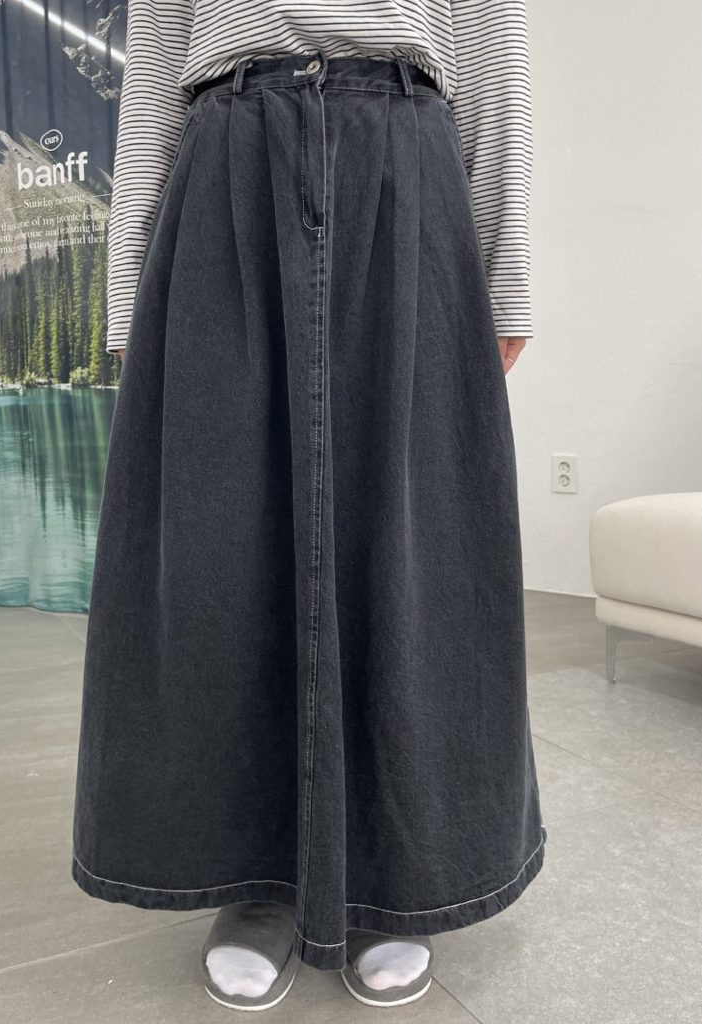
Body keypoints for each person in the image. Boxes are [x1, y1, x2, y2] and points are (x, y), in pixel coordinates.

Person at [71, 0, 546, 1011]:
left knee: (408, 543)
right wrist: (129, 299)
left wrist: (502, 278)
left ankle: (395, 871)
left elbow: (491, 55)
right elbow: (152, 77)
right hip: (225, 164)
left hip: (404, 156)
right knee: (222, 546)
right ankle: (254, 871)